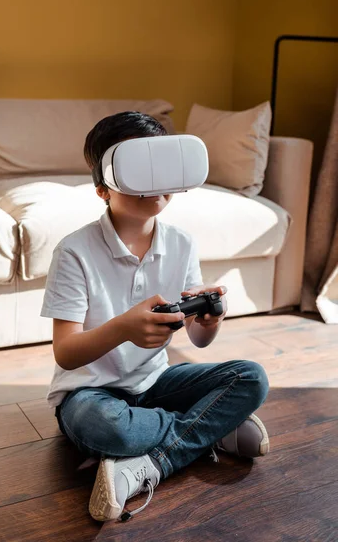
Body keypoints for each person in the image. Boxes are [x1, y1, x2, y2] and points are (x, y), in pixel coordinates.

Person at [41, 111, 270, 523]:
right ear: (101, 187)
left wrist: (209, 322)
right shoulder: (74, 251)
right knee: (112, 429)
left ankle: (148, 464)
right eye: (136, 170)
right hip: (90, 393)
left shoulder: (181, 243)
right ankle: (212, 428)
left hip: (154, 383)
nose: (153, 185)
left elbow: (197, 343)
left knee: (251, 377)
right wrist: (122, 328)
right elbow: (66, 354)